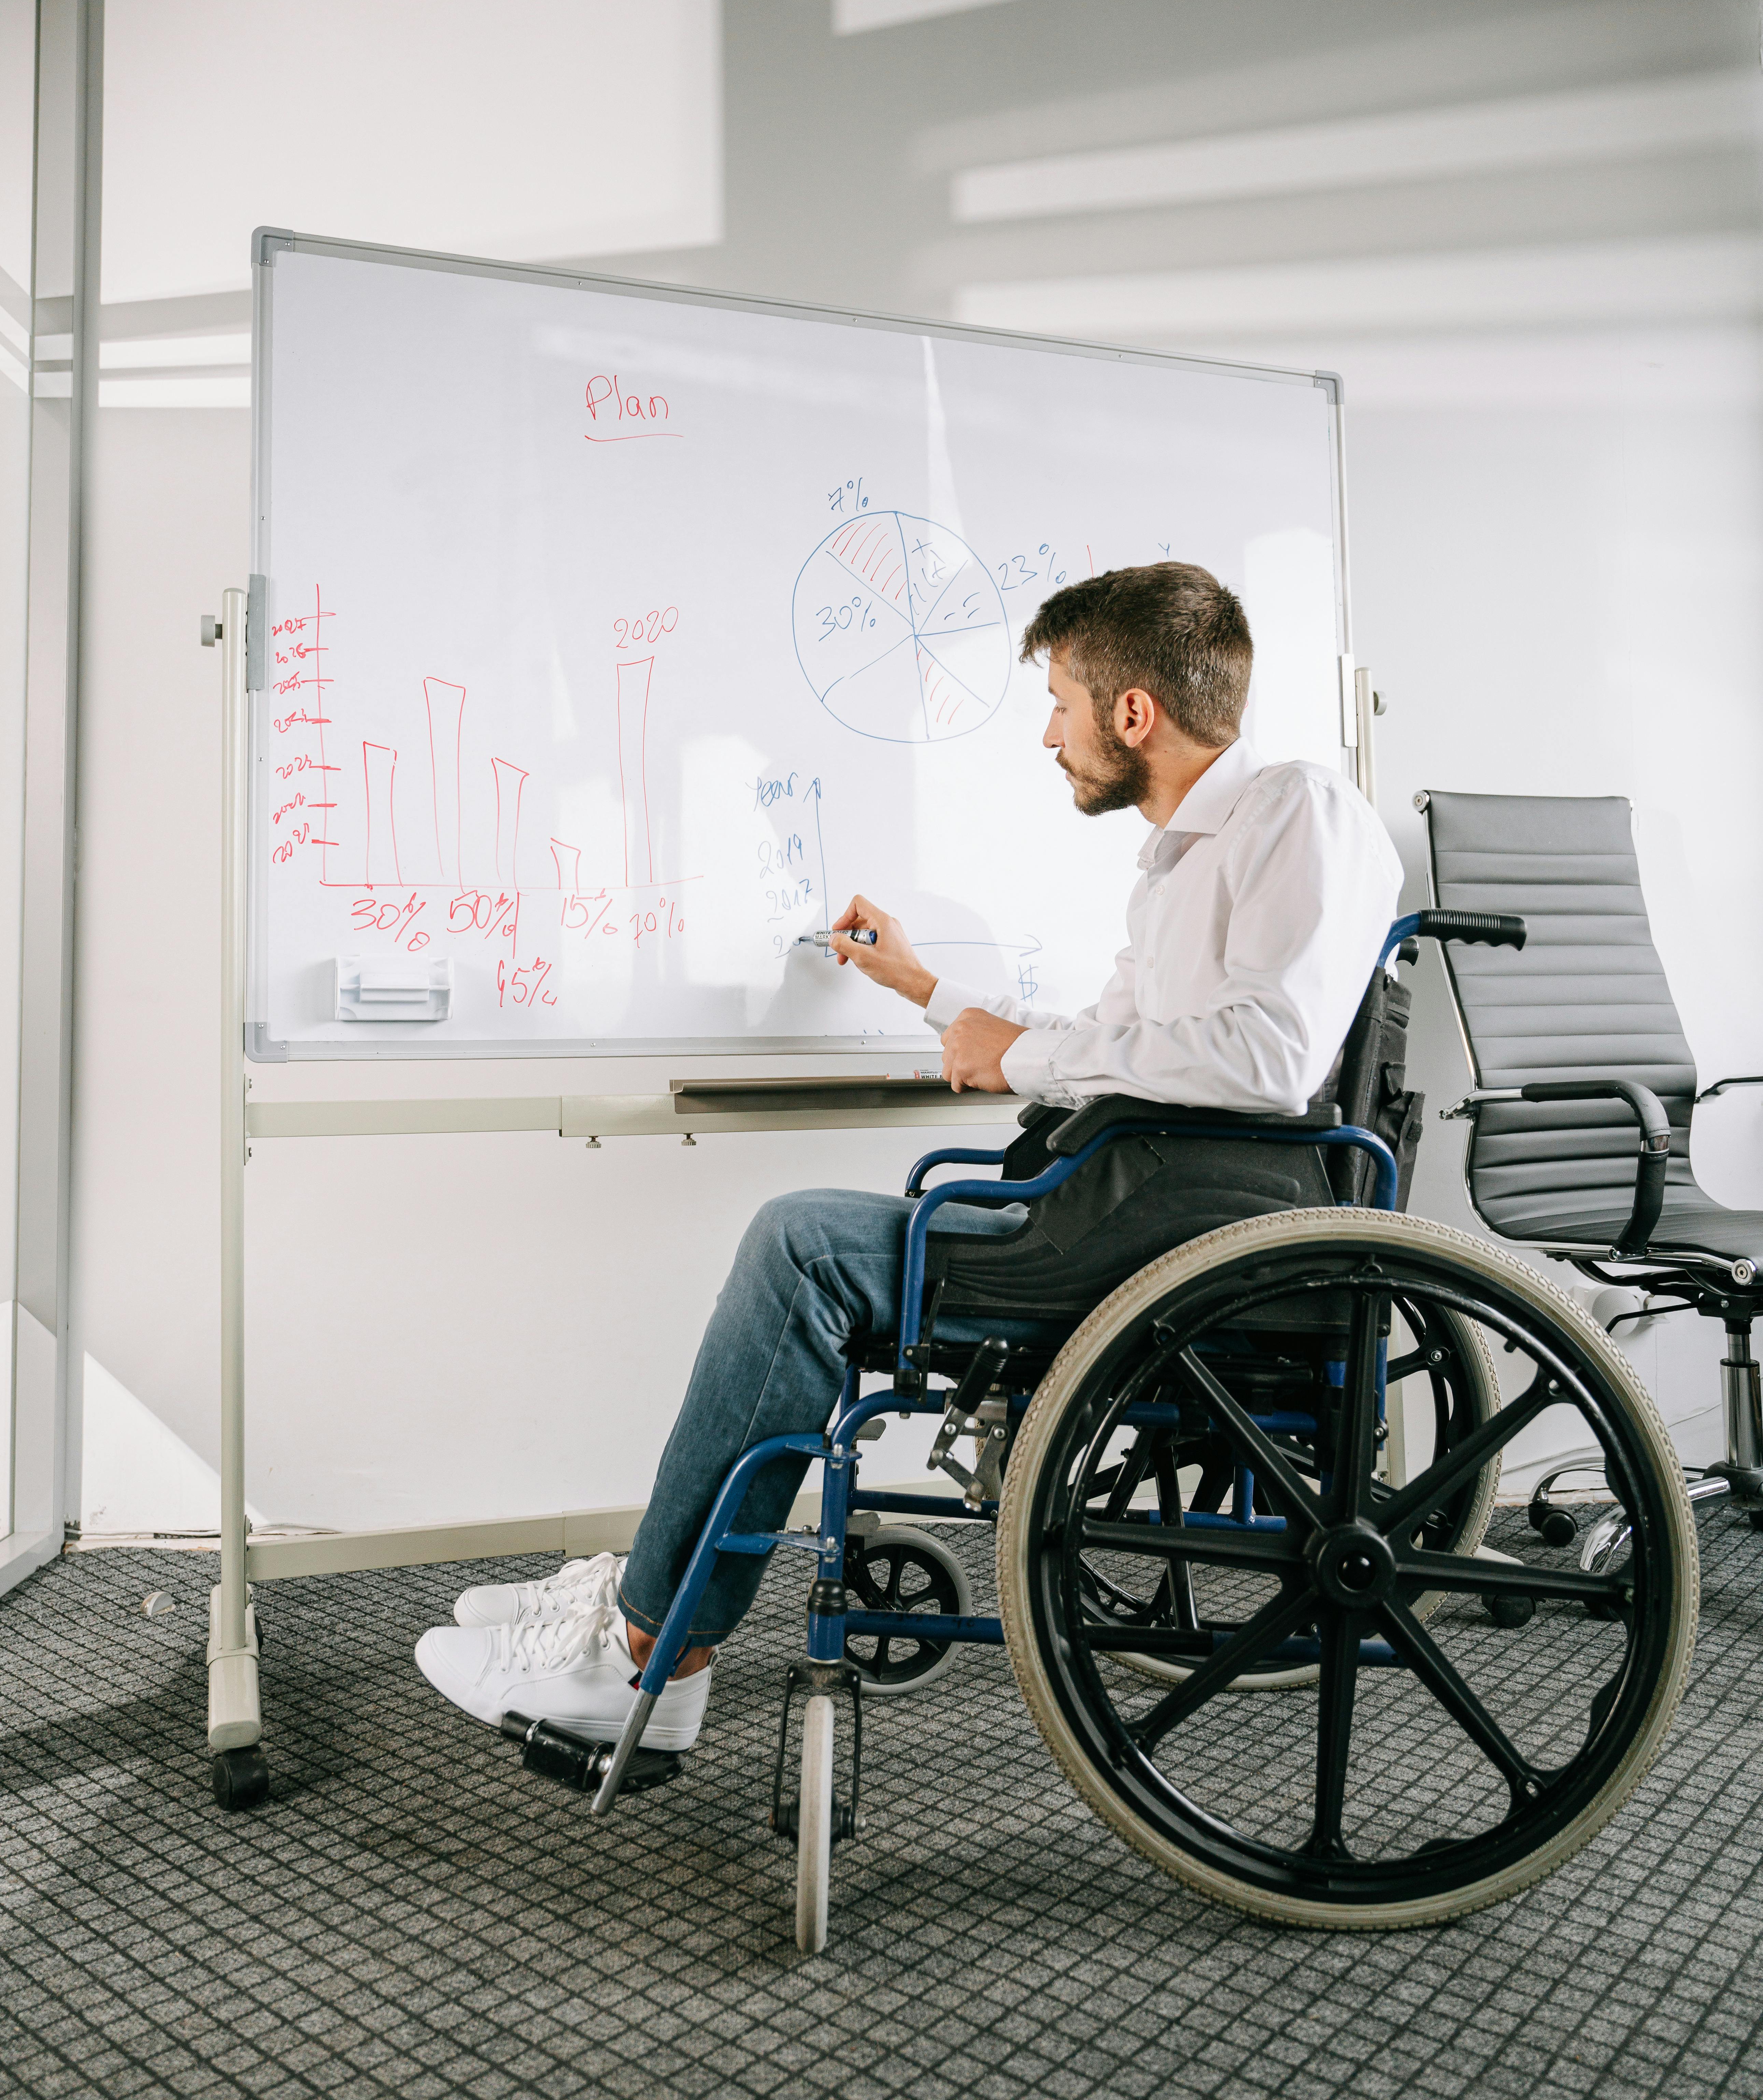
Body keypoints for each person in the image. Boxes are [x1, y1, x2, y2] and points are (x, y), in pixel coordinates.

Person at [415, 561, 1402, 1747]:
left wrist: (1025, 1059)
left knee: (804, 1245)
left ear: (1132, 713)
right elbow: (1115, 1045)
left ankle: (649, 1654)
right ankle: (643, 1608)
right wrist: (933, 994)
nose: (1050, 735)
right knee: (817, 1238)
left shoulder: (1300, 810)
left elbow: (1270, 1060)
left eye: (1061, 702)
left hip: (1188, 1225)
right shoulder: (1175, 862)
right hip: (1142, 1198)